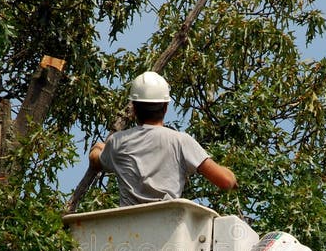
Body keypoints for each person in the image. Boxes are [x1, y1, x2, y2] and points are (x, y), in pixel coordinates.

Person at [89, 71, 237, 207]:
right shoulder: (180, 141)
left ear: (133, 108)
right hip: (168, 227)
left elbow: (96, 161)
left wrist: (98, 147)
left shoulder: (117, 142)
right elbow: (226, 181)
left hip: (130, 228)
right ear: (165, 107)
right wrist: (231, 177)